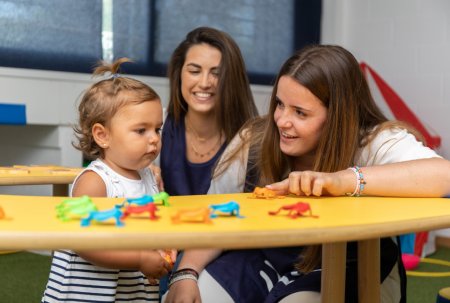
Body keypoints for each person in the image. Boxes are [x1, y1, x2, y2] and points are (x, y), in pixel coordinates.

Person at [163, 45, 450, 303]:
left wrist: (342, 180)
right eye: (279, 104)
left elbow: (443, 175)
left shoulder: (375, 142)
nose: (282, 121)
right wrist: (184, 274)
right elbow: (217, 215)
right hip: (264, 257)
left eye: (300, 112)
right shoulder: (254, 139)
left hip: (349, 266)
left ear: (338, 115)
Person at [41, 58, 176, 303]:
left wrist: (163, 247)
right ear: (102, 135)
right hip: (86, 296)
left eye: (157, 129)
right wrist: (140, 259)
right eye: (140, 130)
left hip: (132, 292)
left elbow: (153, 224)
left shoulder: (149, 177)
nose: (154, 139)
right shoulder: (95, 182)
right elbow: (83, 243)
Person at [159, 26, 259, 196]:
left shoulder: (254, 143)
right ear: (179, 74)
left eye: (217, 73)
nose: (205, 83)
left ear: (232, 80)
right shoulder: (157, 127)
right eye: (194, 71)